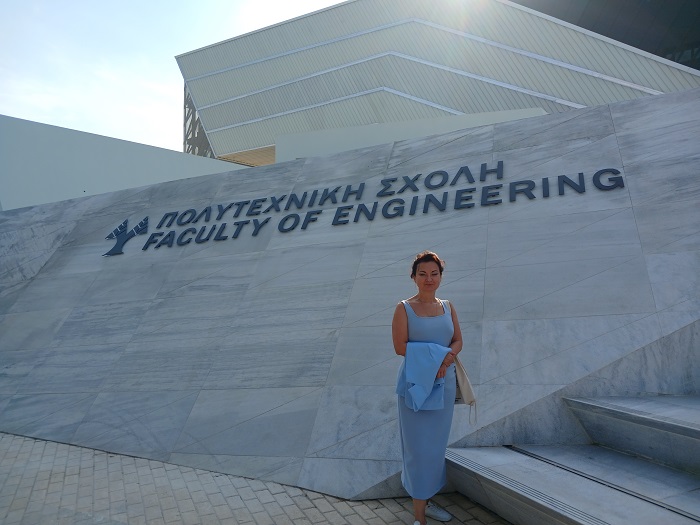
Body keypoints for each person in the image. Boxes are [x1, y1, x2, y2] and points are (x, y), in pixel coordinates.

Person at [392, 251, 463, 525]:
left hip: (443, 385)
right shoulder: (404, 308)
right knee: (417, 451)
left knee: (434, 449)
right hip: (415, 387)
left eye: (434, 273)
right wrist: (438, 360)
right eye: (422, 274)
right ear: (413, 277)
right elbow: (400, 347)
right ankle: (419, 518)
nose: (428, 279)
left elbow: (457, 341)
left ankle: (427, 501)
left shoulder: (448, 306)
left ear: (441, 277)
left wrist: (445, 359)